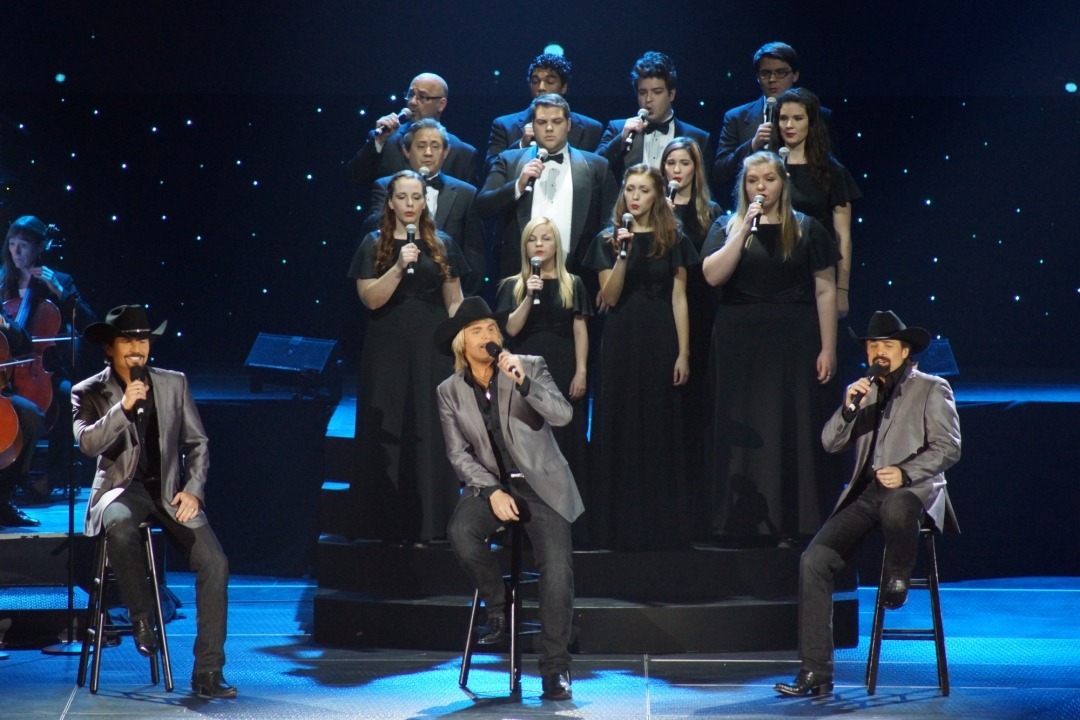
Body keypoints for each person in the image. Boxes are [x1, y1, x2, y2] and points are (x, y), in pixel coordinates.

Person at [775, 311, 961, 697]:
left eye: (886, 346)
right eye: (872, 346)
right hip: (866, 492)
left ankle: (897, 576)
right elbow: (830, 443)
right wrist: (848, 409)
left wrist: (906, 472)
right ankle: (815, 671)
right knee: (814, 561)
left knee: (896, 506)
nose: (878, 353)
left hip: (912, 490)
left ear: (905, 351)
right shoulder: (864, 390)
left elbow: (949, 447)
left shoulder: (931, 387)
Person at [72, 305, 235, 699]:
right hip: (119, 491)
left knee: (215, 562)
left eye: (142, 341)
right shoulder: (88, 391)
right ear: (110, 348)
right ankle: (142, 618)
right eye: (127, 341)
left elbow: (197, 443)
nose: (136, 349)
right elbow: (88, 443)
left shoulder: (173, 383)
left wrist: (193, 489)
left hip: (168, 491)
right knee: (121, 527)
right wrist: (123, 407)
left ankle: (208, 672)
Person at [436, 297, 582, 702]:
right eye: (476, 331)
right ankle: (498, 605)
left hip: (541, 483)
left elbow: (563, 415)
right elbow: (458, 454)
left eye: (491, 329)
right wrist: (492, 490)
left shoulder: (529, 365)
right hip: (490, 486)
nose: (486, 336)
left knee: (556, 567)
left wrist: (524, 383)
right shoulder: (449, 391)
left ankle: (555, 669)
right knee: (461, 531)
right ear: (461, 343)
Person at [701, 151, 839, 546]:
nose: (761, 187)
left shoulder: (806, 228)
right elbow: (712, 275)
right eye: (752, 181)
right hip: (738, 339)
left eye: (769, 180)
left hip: (792, 339)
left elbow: (825, 288)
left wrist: (827, 346)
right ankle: (736, 522)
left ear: (783, 183)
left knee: (788, 426)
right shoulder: (728, 225)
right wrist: (743, 230)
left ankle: (792, 522)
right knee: (743, 426)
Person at [348, 169, 465, 544]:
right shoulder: (372, 243)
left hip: (431, 348)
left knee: (431, 426)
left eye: (417, 197)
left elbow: (455, 302)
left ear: (425, 201)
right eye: (403, 198)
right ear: (392, 202)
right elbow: (370, 299)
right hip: (387, 348)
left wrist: (459, 348)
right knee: (390, 426)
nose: (411, 205)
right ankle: (384, 522)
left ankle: (433, 521)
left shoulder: (442, 243)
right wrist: (399, 266)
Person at [584, 164, 697, 550]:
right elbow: (610, 297)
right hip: (621, 338)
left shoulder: (674, 238)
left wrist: (683, 351)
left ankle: (661, 527)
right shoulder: (606, 239)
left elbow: (679, 297)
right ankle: (617, 527)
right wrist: (622, 254)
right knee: (622, 421)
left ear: (657, 195)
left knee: (659, 422)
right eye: (629, 189)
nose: (634, 196)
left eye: (643, 190)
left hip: (661, 336)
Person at [496, 218, 591, 544]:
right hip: (525, 371)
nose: (538, 244)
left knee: (563, 442)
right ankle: (523, 524)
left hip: (562, 368)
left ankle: (567, 523)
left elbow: (580, 328)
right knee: (529, 444)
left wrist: (581, 370)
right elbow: (510, 330)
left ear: (556, 246)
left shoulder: (572, 283)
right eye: (532, 239)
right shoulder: (513, 284)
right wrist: (528, 295)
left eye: (546, 239)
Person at [476, 93, 616, 282]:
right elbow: (483, 207)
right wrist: (518, 185)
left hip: (578, 277)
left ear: (568, 125)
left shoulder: (598, 167)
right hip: (519, 278)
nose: (549, 128)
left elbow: (609, 225)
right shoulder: (509, 160)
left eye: (556, 121)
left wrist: (606, 278)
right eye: (541, 122)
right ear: (532, 126)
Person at [660, 139, 722, 540]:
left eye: (684, 163)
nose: (677, 170)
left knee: (695, 408)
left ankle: (696, 510)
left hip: (700, 316)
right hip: (660, 316)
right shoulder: (651, 208)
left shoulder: (711, 213)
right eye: (670, 162)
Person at [363, 119, 485, 295]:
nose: (428, 153)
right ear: (406, 151)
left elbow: (475, 255)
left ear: (446, 152)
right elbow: (373, 229)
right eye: (421, 146)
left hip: (446, 294)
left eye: (435, 146)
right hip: (393, 290)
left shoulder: (466, 193)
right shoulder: (386, 186)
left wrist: (465, 301)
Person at [711, 42, 839, 202]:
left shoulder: (819, 115)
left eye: (780, 73)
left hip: (808, 209)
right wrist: (752, 145)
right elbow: (720, 173)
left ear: (795, 75)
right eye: (765, 73)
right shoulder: (736, 117)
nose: (772, 79)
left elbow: (832, 171)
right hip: (754, 209)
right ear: (757, 77)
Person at [772, 88, 860, 318]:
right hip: (772, 268)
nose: (789, 125)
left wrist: (842, 289)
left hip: (816, 273)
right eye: (783, 118)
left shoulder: (833, 172)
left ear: (811, 123)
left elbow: (843, 236)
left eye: (797, 118)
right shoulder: (767, 167)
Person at [346, 72, 479, 202]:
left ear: (441, 104)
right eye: (410, 95)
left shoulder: (462, 153)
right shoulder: (385, 140)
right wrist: (378, 142)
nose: (412, 102)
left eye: (422, 96)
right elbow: (354, 178)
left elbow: (467, 210)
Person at [597, 51, 710, 184]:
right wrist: (621, 140)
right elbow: (595, 168)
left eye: (657, 92)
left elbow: (703, 189)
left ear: (671, 94)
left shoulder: (697, 138)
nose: (648, 99)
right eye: (642, 92)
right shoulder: (618, 129)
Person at [484, 53, 604, 175]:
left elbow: (599, 173)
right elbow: (491, 170)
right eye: (535, 81)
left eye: (550, 81)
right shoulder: (504, 125)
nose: (541, 87)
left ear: (564, 87)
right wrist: (521, 144)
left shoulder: (591, 129)